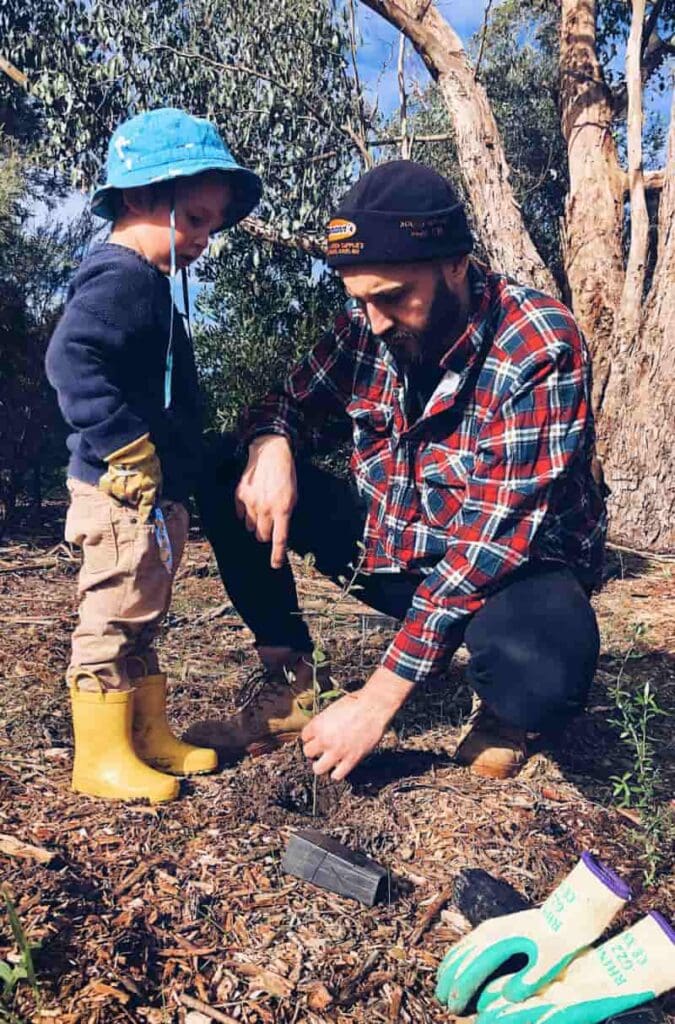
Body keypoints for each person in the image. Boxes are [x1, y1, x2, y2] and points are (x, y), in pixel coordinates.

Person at [187, 160, 606, 781]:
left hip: (512, 570)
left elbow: (489, 546)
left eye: (392, 297)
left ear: (456, 265)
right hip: (399, 546)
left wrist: (378, 699)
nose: (375, 320)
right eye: (360, 299)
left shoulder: (538, 345)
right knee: (227, 466)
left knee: (547, 665)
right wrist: (273, 442)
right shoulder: (368, 327)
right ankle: (290, 682)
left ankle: (504, 713)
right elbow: (285, 401)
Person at [46, 107, 262, 803]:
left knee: (142, 608)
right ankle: (100, 757)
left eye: (209, 225)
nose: (204, 239)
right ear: (141, 198)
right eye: (194, 219)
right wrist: (125, 446)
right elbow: (70, 360)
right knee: (112, 612)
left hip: (148, 491)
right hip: (118, 490)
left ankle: (145, 734)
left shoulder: (148, 284)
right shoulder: (122, 278)